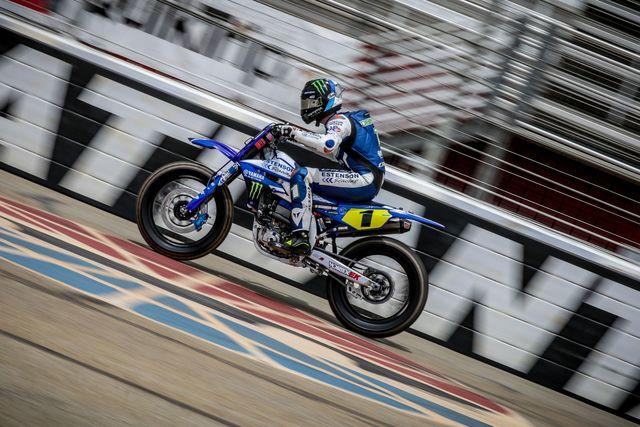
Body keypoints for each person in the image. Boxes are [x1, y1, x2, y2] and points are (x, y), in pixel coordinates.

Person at [273, 78, 386, 255]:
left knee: (302, 175)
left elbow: (327, 145)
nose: (307, 107)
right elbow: (325, 146)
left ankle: (300, 237)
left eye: (311, 103)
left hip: (364, 179)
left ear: (325, 101)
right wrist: (296, 136)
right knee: (307, 177)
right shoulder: (340, 122)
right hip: (366, 178)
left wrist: (292, 132)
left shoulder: (340, 121)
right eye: (306, 103)